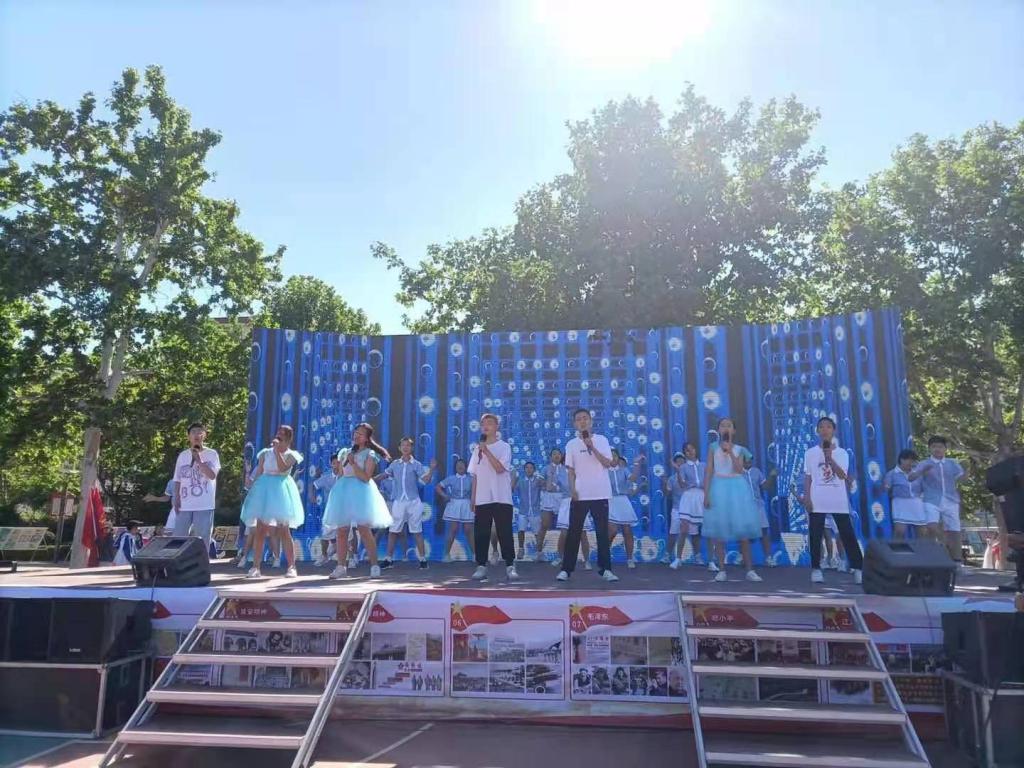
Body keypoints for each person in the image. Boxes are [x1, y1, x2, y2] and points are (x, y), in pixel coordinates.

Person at [322, 423, 392, 579]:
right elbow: (342, 474)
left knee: (363, 529)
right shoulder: (345, 452)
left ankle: (374, 565)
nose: (356, 436)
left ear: (367, 438)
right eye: (355, 432)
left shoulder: (370, 454)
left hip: (361, 491)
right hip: (343, 491)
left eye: (360, 434)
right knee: (342, 530)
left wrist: (353, 463)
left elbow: (366, 477)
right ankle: (341, 567)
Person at [558, 408, 618, 583]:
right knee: (574, 532)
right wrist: (572, 490)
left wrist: (592, 447)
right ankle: (566, 569)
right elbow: (570, 471)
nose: (582, 421)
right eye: (578, 419)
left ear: (591, 421)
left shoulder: (602, 440)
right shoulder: (571, 444)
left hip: (600, 493)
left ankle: (605, 569)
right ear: (574, 424)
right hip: (580, 494)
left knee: (602, 532)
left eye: (585, 418)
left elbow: (608, 463)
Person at [804, 416, 864, 585]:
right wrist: (807, 497)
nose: (825, 430)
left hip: (838, 500)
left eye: (828, 427)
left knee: (847, 534)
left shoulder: (842, 453)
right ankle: (816, 569)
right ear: (817, 431)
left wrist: (830, 458)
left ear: (834, 431)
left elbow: (843, 475)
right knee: (815, 535)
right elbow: (808, 477)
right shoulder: (810, 453)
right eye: (821, 427)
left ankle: (858, 568)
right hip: (817, 499)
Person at [702, 417, 762, 583]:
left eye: (729, 425)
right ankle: (721, 569)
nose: (725, 428)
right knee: (719, 532)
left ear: (733, 431)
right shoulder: (713, 448)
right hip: (718, 487)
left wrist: (730, 452)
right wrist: (706, 494)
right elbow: (709, 471)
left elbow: (739, 470)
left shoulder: (740, 449)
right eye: (722, 425)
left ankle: (749, 570)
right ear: (719, 430)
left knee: (743, 532)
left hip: (737, 488)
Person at [241, 425, 305, 579]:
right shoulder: (264, 453)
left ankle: (291, 567)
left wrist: (277, 451)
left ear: (288, 439)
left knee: (284, 529)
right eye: (278, 433)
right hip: (264, 490)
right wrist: (252, 486)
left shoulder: (292, 455)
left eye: (283, 434)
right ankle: (256, 567)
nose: (279, 436)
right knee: (260, 529)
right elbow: (259, 472)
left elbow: (283, 468)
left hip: (281, 490)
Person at [469, 413, 517, 582]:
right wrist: (473, 498)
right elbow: (475, 475)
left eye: (490, 423)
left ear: (497, 427)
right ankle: (481, 566)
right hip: (482, 498)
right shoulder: (477, 449)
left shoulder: (504, 447)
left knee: (505, 533)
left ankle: (510, 565)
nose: (486, 426)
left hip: (502, 497)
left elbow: (499, 468)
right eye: (483, 423)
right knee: (481, 533)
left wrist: (486, 450)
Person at [380, 438, 436, 569]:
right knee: (393, 530)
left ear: (412, 448)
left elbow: (426, 480)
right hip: (399, 501)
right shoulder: (395, 464)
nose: (405, 447)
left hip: (414, 501)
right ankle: (388, 559)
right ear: (399, 448)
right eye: (403, 445)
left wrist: (432, 469)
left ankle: (422, 559)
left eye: (408, 445)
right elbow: (384, 475)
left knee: (417, 531)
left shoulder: (416, 464)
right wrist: (370, 480)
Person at [913, 436, 967, 565]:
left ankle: (957, 562)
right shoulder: (924, 463)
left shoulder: (952, 463)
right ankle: (937, 551)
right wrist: (921, 471)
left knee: (955, 530)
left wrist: (968, 470)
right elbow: (911, 477)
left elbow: (962, 479)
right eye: (934, 446)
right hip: (930, 499)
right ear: (929, 448)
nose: (937, 449)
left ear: (945, 449)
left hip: (951, 499)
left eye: (940, 446)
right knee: (931, 526)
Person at [172, 422, 221, 550]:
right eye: (193, 432)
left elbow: (212, 475)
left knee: (202, 538)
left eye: (200, 432)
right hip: (184, 504)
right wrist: (176, 498)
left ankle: (202, 561)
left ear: (204, 435)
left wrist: (199, 460)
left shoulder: (212, 454)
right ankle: (180, 562)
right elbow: (177, 479)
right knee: (179, 537)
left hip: (204, 504)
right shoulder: (183, 455)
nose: (196, 435)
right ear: (188, 436)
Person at [671, 443, 706, 569]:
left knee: (699, 529)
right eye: (687, 450)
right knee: (684, 528)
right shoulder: (683, 467)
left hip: (702, 496)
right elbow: (682, 485)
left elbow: (708, 482)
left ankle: (702, 557)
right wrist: (678, 470)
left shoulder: (704, 465)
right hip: (688, 496)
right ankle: (678, 558)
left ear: (695, 450)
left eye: (691, 449)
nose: (690, 452)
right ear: (685, 453)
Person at [608, 451, 643, 569]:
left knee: (627, 531)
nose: (613, 458)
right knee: (612, 531)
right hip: (610, 501)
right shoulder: (604, 471)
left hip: (623, 501)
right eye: (610, 455)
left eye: (615, 455)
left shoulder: (624, 470)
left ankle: (629, 558)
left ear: (618, 458)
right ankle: (605, 554)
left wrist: (636, 464)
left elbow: (633, 478)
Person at [743, 457, 779, 567]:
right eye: (746, 459)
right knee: (744, 534)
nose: (749, 461)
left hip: (758, 505)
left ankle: (768, 558)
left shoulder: (756, 471)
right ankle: (743, 557)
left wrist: (772, 476)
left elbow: (765, 487)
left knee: (764, 531)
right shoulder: (736, 473)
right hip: (743, 507)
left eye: (750, 459)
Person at [884, 449, 926, 540]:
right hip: (900, 503)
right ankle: (898, 548)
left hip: (917, 503)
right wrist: (885, 487)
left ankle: (922, 549)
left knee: (922, 532)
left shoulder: (917, 474)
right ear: (901, 459)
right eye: (908, 459)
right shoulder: (892, 474)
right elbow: (886, 487)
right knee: (900, 531)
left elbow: (925, 488)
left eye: (913, 460)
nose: (911, 462)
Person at [535, 448, 569, 563]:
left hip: (562, 498)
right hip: (548, 497)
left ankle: (561, 555)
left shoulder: (565, 469)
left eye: (558, 454)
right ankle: (539, 553)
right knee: (544, 525)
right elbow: (539, 482)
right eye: (554, 454)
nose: (557, 456)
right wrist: (547, 484)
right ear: (550, 457)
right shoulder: (546, 468)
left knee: (564, 527)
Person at [437, 458, 474, 562]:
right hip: (454, 504)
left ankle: (475, 555)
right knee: (453, 529)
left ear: (466, 467)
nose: (460, 466)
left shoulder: (471, 479)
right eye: (458, 464)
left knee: (468, 530)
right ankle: (446, 555)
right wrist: (445, 496)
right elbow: (438, 487)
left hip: (467, 504)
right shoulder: (451, 478)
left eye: (462, 464)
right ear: (455, 467)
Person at [312, 454, 344, 567]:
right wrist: (312, 496)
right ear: (331, 464)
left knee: (349, 535)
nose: (337, 465)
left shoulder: (346, 477)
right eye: (334, 463)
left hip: (344, 510)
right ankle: (324, 555)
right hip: (329, 511)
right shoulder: (326, 477)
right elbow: (313, 485)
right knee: (325, 534)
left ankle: (352, 558)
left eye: (339, 463)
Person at [514, 461, 543, 561]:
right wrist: (514, 477)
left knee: (537, 533)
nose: (529, 469)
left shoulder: (538, 481)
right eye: (527, 468)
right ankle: (521, 549)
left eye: (531, 468)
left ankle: (539, 552)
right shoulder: (521, 481)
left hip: (535, 510)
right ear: (524, 470)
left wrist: (541, 479)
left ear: (534, 470)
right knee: (521, 530)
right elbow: (512, 489)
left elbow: (545, 486)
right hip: (523, 510)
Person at [663, 452, 686, 564]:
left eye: (682, 461)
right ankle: (667, 555)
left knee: (694, 534)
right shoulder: (672, 479)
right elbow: (667, 494)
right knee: (673, 533)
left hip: (690, 509)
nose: (680, 463)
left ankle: (697, 556)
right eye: (678, 461)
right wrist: (664, 483)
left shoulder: (690, 476)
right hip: (677, 508)